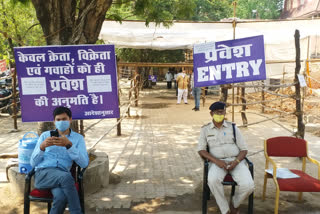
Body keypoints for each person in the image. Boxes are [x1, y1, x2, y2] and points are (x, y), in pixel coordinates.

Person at [197, 102, 254, 214]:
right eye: (216, 112)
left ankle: (235, 204)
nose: (219, 114)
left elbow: (244, 149)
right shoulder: (205, 129)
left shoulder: (233, 127)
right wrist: (216, 161)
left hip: (235, 161)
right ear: (211, 113)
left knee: (248, 185)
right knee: (212, 181)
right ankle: (225, 210)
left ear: (224, 112)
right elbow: (201, 150)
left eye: (221, 111)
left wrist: (236, 162)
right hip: (217, 162)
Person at [30, 106, 89, 214]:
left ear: (70, 120)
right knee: (66, 177)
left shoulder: (78, 138)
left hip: (62, 177)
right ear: (54, 121)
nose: (61, 122)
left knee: (61, 197)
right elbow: (33, 163)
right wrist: (42, 147)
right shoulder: (45, 136)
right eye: (58, 120)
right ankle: (76, 212)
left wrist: (69, 146)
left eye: (64, 119)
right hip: (44, 175)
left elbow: (84, 163)